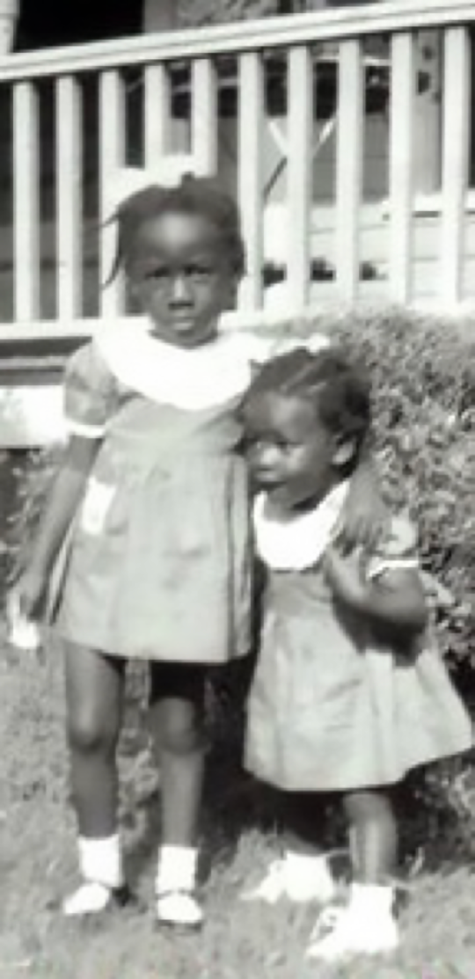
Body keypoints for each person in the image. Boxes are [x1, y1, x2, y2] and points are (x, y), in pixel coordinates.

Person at [11, 159, 385, 930]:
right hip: (103, 564)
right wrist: (37, 564)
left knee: (178, 726)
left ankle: (175, 877)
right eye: (157, 276)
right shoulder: (110, 360)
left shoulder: (249, 366)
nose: (179, 294)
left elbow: (343, 405)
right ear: (132, 283)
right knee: (88, 725)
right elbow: (77, 469)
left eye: (199, 272)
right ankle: (100, 868)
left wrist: (369, 479)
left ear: (235, 273)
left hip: (195, 574)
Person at [241, 347, 473, 962]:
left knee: (362, 794)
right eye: (253, 442)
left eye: (281, 446)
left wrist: (356, 590)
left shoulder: (364, 523)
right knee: (287, 769)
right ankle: (305, 869)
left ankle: (372, 913)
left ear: (340, 451)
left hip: (351, 678)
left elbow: (411, 611)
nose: (262, 459)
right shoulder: (269, 504)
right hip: (289, 671)